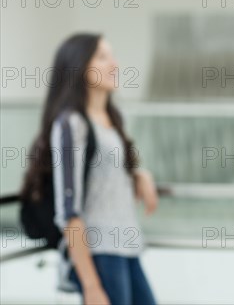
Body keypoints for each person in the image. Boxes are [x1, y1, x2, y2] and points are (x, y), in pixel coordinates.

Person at [22, 33, 158, 304]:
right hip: (99, 253)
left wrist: (140, 174)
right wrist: (92, 285)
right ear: (78, 66)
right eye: (102, 57)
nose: (114, 64)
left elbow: (107, 175)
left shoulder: (112, 119)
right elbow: (68, 212)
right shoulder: (71, 124)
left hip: (127, 249)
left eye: (112, 56)